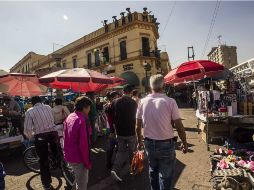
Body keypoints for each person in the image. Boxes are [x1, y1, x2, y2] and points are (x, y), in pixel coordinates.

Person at [136, 74, 188, 190]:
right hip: (165, 144)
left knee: (153, 171)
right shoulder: (170, 101)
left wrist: (139, 141)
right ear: (163, 85)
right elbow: (179, 126)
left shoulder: (142, 102)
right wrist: (184, 143)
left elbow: (137, 126)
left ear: (150, 86)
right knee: (165, 176)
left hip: (148, 143)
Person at [24, 96, 58, 190]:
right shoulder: (48, 107)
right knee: (57, 153)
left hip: (41, 138)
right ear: (41, 101)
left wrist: (31, 136)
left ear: (32, 103)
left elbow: (27, 129)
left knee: (43, 161)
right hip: (53, 134)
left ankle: (46, 184)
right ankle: (61, 164)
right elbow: (53, 119)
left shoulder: (30, 111)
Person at [63, 96, 92, 190]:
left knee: (77, 179)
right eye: (89, 107)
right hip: (79, 158)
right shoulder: (82, 120)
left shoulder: (70, 116)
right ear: (84, 107)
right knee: (82, 184)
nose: (89, 110)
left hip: (69, 155)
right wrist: (87, 162)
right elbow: (84, 145)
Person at [111, 84, 138, 181]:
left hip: (119, 131)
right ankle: (133, 168)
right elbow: (136, 117)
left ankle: (115, 169)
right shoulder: (134, 103)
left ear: (123, 91)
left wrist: (112, 130)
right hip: (131, 131)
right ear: (131, 92)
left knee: (121, 151)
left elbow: (110, 115)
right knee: (132, 151)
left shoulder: (115, 101)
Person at [104, 91, 119, 169]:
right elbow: (110, 119)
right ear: (112, 98)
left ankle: (110, 163)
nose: (118, 98)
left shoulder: (108, 105)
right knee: (113, 147)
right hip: (111, 129)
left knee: (113, 147)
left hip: (110, 128)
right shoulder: (109, 106)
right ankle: (111, 163)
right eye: (116, 97)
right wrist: (112, 131)